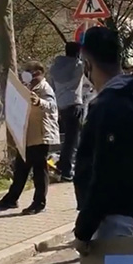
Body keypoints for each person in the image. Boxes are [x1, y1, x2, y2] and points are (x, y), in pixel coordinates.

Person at [73, 27, 133, 253]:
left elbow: (106, 173)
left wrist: (84, 229)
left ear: (87, 64)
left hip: (110, 216)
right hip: (116, 211)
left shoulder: (110, 106)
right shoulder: (127, 97)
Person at [0, 62, 59, 215]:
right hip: (27, 134)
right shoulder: (26, 87)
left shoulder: (44, 88)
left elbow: (52, 106)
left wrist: (39, 102)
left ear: (39, 72)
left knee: (39, 170)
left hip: (41, 135)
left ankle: (39, 203)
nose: (26, 73)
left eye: (30, 71)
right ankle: (11, 199)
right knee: (21, 168)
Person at [49, 42, 84, 182]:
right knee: (73, 139)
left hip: (61, 104)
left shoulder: (55, 68)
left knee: (68, 138)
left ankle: (63, 164)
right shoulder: (78, 66)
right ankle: (67, 170)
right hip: (74, 103)